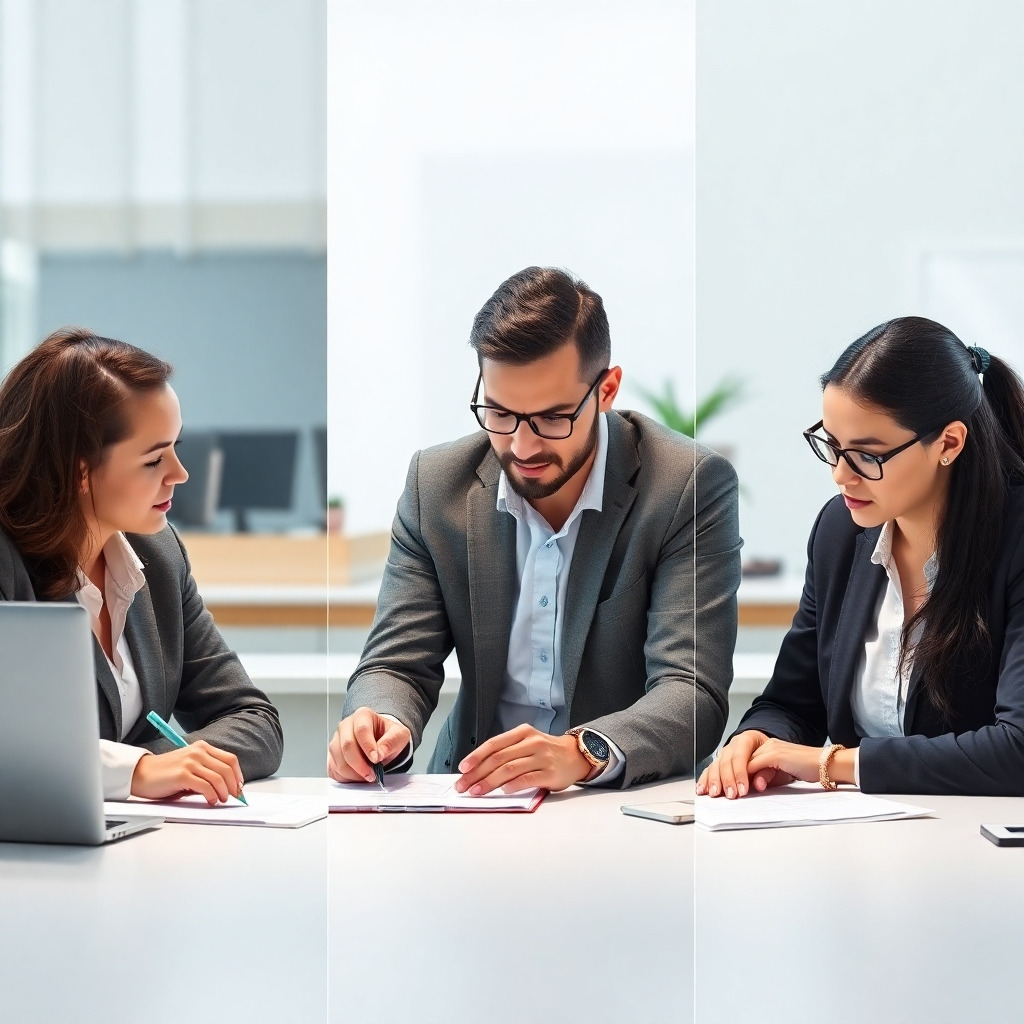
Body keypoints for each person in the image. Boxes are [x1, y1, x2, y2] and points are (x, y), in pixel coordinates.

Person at [328, 266, 740, 793]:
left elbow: (691, 690)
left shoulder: (686, 485)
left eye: (551, 419)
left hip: (620, 804)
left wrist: (582, 752)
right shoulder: (436, 486)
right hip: (473, 798)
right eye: (499, 413)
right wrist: (380, 723)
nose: (522, 448)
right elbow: (396, 664)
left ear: (607, 389)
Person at [698, 316, 1024, 800]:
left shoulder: (1014, 539)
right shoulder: (841, 531)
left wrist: (832, 763)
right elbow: (791, 702)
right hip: (864, 844)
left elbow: (1015, 752)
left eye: (868, 455)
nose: (840, 476)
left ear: (949, 443)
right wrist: (759, 738)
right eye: (832, 444)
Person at [0, 328, 283, 803]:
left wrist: (156, 767)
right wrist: (135, 772)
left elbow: (254, 721)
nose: (180, 473)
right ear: (81, 471)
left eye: (175, 447)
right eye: (154, 460)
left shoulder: (157, 555)